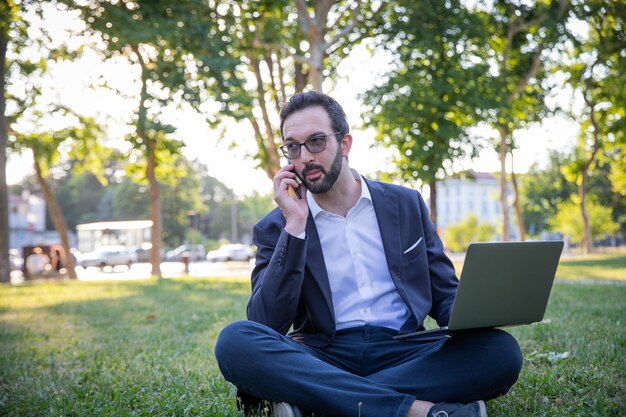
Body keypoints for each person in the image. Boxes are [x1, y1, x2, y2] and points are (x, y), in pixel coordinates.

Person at [215, 91, 523, 417]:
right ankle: (419, 412)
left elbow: (444, 294)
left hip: (404, 350)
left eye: (316, 142)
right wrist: (295, 226)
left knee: (500, 352)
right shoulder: (279, 225)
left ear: (345, 144)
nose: (304, 157)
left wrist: (477, 312)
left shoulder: (406, 204)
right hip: (324, 354)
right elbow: (266, 323)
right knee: (235, 341)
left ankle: (319, 403)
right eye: (293, 146)